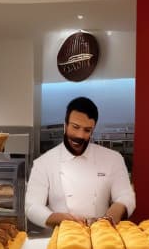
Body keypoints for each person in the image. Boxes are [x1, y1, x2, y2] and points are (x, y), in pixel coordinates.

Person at [25, 96, 136, 229]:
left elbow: (125, 196)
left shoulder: (113, 158)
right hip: (62, 238)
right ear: (65, 125)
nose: (80, 135)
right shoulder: (44, 163)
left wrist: (110, 217)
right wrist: (59, 219)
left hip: (101, 237)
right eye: (75, 127)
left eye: (87, 130)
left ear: (92, 130)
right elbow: (32, 206)